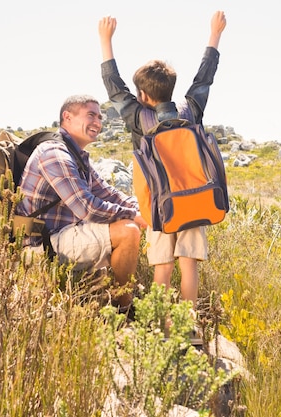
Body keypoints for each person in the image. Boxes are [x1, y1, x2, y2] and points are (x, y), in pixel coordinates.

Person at [98, 11, 227, 314]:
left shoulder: (139, 118)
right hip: (196, 198)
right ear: (171, 88)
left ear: (142, 94)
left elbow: (114, 88)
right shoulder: (191, 111)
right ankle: (188, 324)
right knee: (189, 263)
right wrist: (215, 34)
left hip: (158, 204)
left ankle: (162, 326)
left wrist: (106, 41)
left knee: (162, 266)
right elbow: (204, 78)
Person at [16, 94, 147, 309]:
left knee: (134, 222)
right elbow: (86, 208)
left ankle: (111, 293)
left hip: (62, 236)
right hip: (41, 247)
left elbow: (107, 192)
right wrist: (134, 215)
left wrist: (143, 210)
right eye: (90, 115)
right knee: (128, 230)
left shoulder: (76, 155)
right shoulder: (54, 153)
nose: (98, 122)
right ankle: (124, 308)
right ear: (67, 117)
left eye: (100, 117)